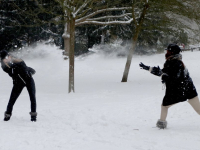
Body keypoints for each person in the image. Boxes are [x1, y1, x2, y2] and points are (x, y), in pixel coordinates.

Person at [139, 44, 200, 129]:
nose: (166, 53)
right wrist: (149, 68)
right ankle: (162, 123)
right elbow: (163, 72)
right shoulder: (170, 62)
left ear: (172, 53)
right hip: (185, 89)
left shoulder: (177, 63)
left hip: (182, 90)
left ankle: (161, 123)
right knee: (165, 105)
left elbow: (175, 77)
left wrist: (166, 77)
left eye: (168, 51)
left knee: (165, 106)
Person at [0, 50, 37, 122]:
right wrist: (12, 64)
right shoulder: (4, 66)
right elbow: (12, 71)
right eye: (5, 58)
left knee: (32, 97)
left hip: (28, 80)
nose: (7, 58)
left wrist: (29, 70)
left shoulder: (17, 60)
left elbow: (24, 67)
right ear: (2, 59)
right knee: (12, 99)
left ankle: (33, 116)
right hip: (18, 83)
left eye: (8, 56)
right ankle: (7, 115)